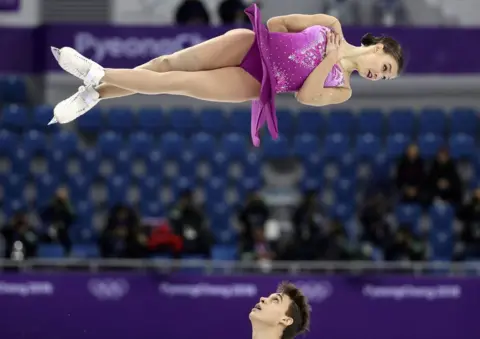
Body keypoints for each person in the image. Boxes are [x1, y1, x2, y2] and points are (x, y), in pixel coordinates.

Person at [49, 3, 404, 146]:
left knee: (174, 83)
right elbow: (276, 24)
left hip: (257, 82)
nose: (379, 76)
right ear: (379, 48)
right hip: (249, 45)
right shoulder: (331, 25)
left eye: (385, 79)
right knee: (166, 64)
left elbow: (306, 96)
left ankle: (97, 73)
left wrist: (328, 60)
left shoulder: (343, 90)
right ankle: (96, 93)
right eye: (385, 68)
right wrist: (316, 35)